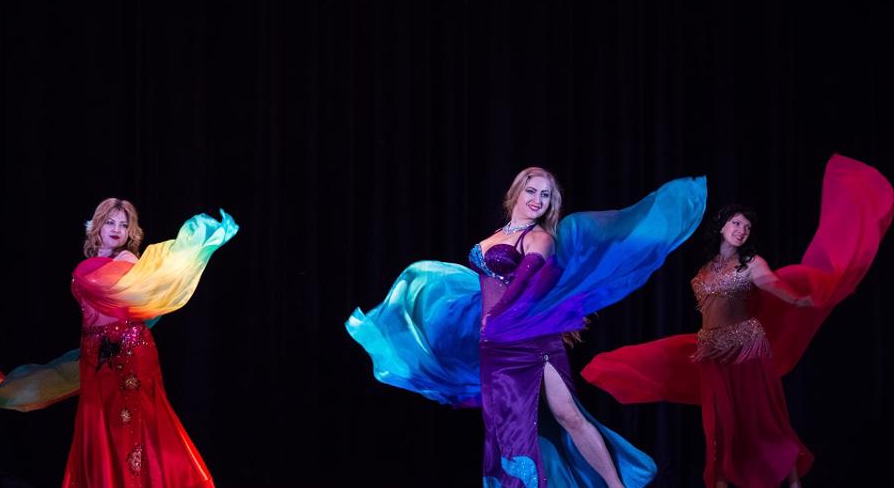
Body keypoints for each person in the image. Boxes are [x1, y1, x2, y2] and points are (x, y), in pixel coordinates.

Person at [347, 167, 707, 487]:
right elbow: (484, 287)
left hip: (529, 339)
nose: (537, 200)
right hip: (495, 344)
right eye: (532, 191)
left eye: (545, 195)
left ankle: (615, 484)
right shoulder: (496, 235)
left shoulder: (541, 238)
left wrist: (496, 316)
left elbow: (522, 283)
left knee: (567, 414)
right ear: (516, 193)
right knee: (505, 425)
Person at [581, 155, 894, 488]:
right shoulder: (704, 269)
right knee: (719, 423)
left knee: (763, 421)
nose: (741, 230)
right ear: (722, 226)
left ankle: (793, 483)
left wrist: (804, 299)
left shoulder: (752, 264)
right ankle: (721, 482)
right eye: (736, 224)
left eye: (746, 227)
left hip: (748, 349)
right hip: (712, 352)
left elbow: (774, 285)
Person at [0, 198, 239, 488]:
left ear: (130, 232)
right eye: (110, 222)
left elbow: (154, 289)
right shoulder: (92, 263)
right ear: (97, 226)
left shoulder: (128, 261)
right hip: (93, 353)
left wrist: (196, 247)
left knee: (130, 421)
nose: (117, 229)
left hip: (128, 351)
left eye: (123, 225)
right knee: (97, 420)